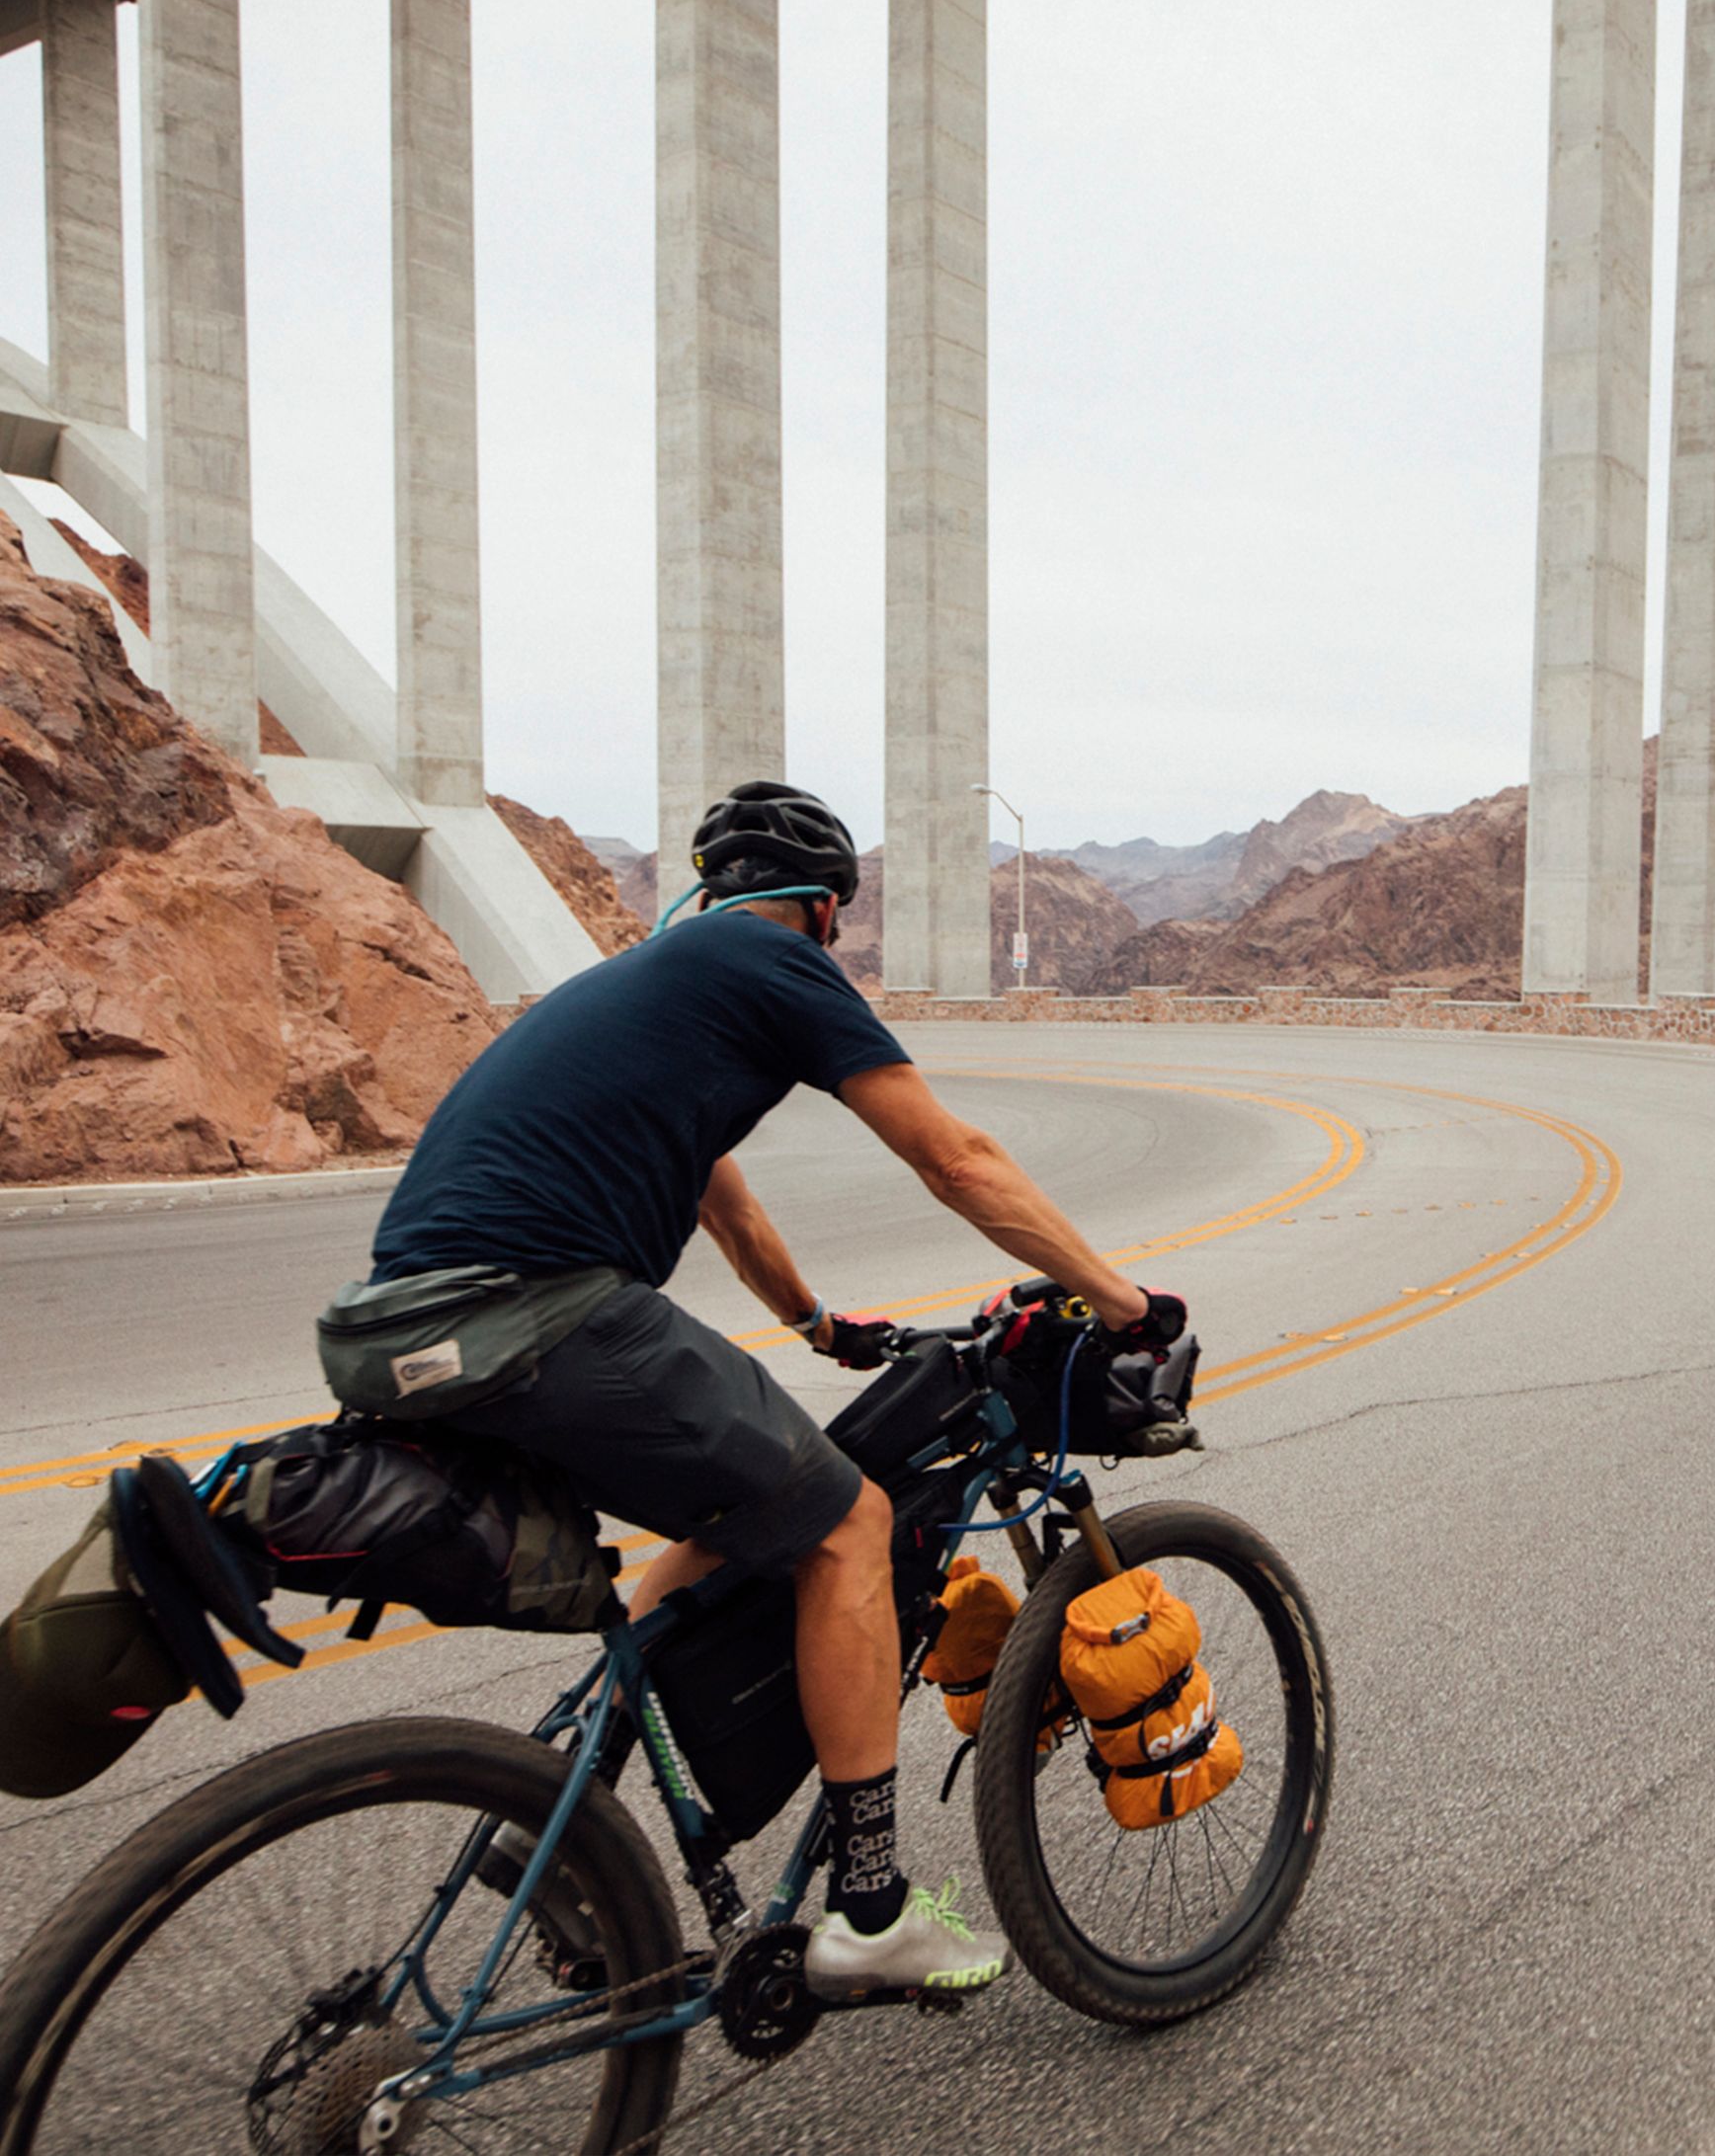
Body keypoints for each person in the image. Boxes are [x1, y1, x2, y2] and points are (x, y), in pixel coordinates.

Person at [357, 782, 1184, 1999]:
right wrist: (1122, 1300)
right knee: (846, 1523)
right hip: (530, 1307)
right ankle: (870, 1911)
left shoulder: (649, 980)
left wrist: (812, 1322)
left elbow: (721, 1194)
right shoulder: (770, 956)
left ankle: (558, 1826)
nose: (832, 943)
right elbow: (953, 1158)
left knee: (721, 1521)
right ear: (816, 906)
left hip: (394, 1325)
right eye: (835, 923)